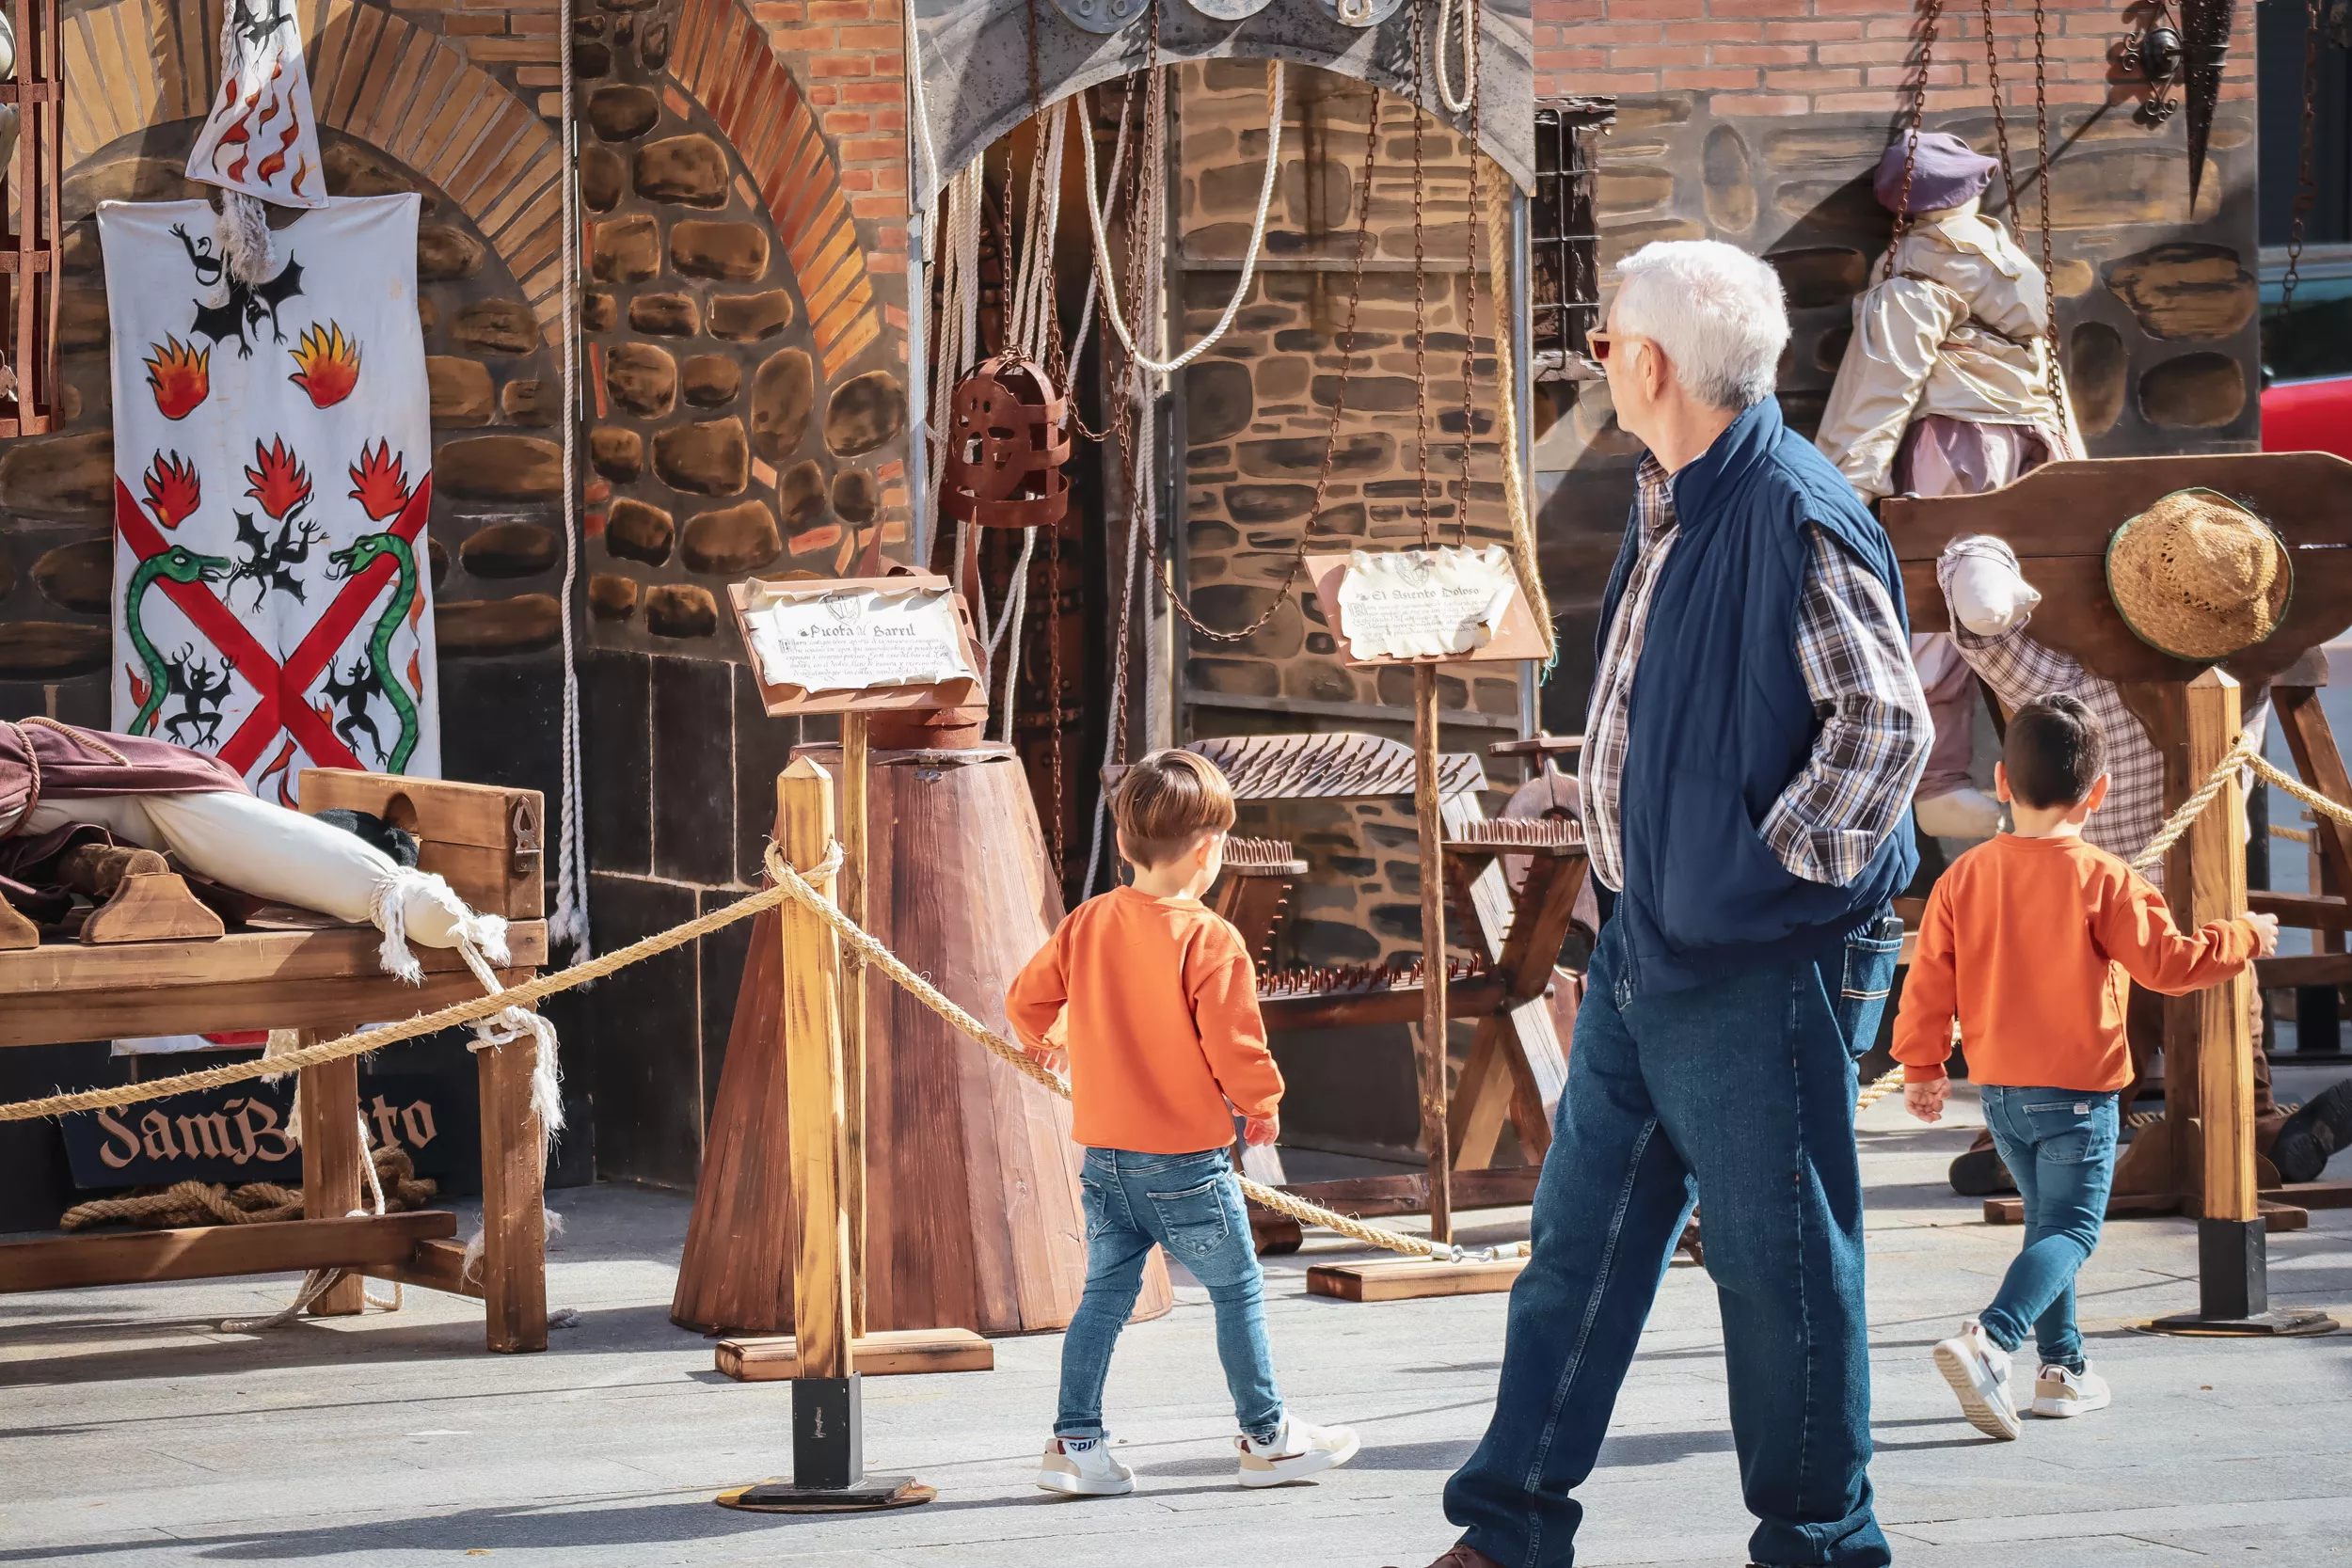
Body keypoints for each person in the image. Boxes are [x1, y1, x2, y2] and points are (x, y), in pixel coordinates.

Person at [1404, 239, 1930, 1568]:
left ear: (1650, 361)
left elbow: (1885, 723)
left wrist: (1758, 878)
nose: (1599, 363)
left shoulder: (1789, 506)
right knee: (1573, 1254)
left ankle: (1821, 1543)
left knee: (1780, 1276)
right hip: (1651, 948)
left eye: (1606, 342)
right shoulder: (1679, 492)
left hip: (1753, 959)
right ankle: (1507, 1530)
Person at [1894, 694, 2279, 1437]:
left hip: (1999, 1092)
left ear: (2002, 781)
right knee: (2072, 1229)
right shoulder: (2105, 877)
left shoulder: (1963, 878)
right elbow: (2168, 965)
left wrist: (1920, 1064)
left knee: (2046, 1225)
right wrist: (2245, 936)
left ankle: (2063, 1370)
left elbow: (1929, 981)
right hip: (2076, 1089)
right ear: (2097, 792)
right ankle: (1992, 1338)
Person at [1006, 749, 1359, 1497]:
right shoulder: (1210, 938)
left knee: (1103, 1295)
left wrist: (1054, 1038)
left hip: (1104, 1158)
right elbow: (1236, 1043)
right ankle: (1266, 1435)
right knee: (1238, 1291)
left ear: (1128, 846)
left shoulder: (1088, 921)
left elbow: (1025, 1001)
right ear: (1206, 852)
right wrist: (1261, 1104)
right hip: (1185, 1165)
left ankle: (1075, 1443)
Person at [1816, 132, 2085, 847]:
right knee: (2039, 614)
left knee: (1937, 607)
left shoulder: (1913, 284)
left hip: (1952, 453)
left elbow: (1877, 390)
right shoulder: (2016, 272)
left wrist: (1837, 493)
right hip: (2036, 455)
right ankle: (2066, 770)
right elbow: (2049, 392)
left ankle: (1937, 780)